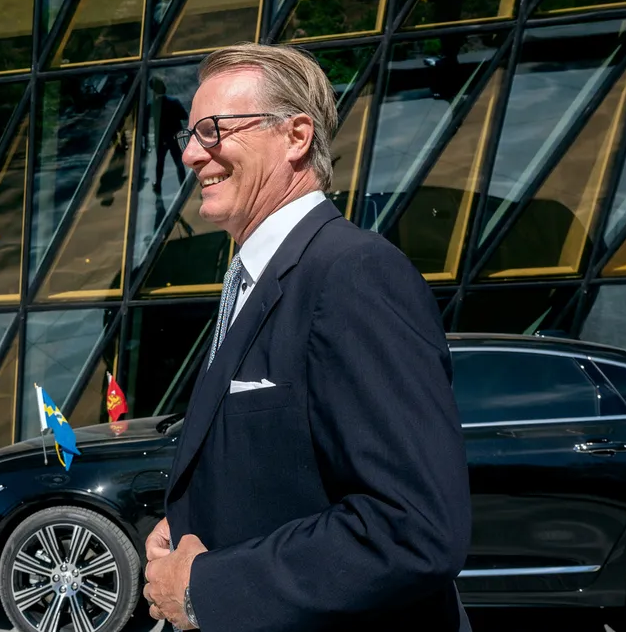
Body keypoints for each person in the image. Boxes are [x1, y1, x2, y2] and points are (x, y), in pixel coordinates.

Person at [141, 42, 472, 632]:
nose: (191, 153)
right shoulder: (259, 278)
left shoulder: (354, 274)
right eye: (189, 134)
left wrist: (204, 589)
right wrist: (200, 522)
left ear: (296, 136)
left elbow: (412, 528)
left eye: (213, 130)